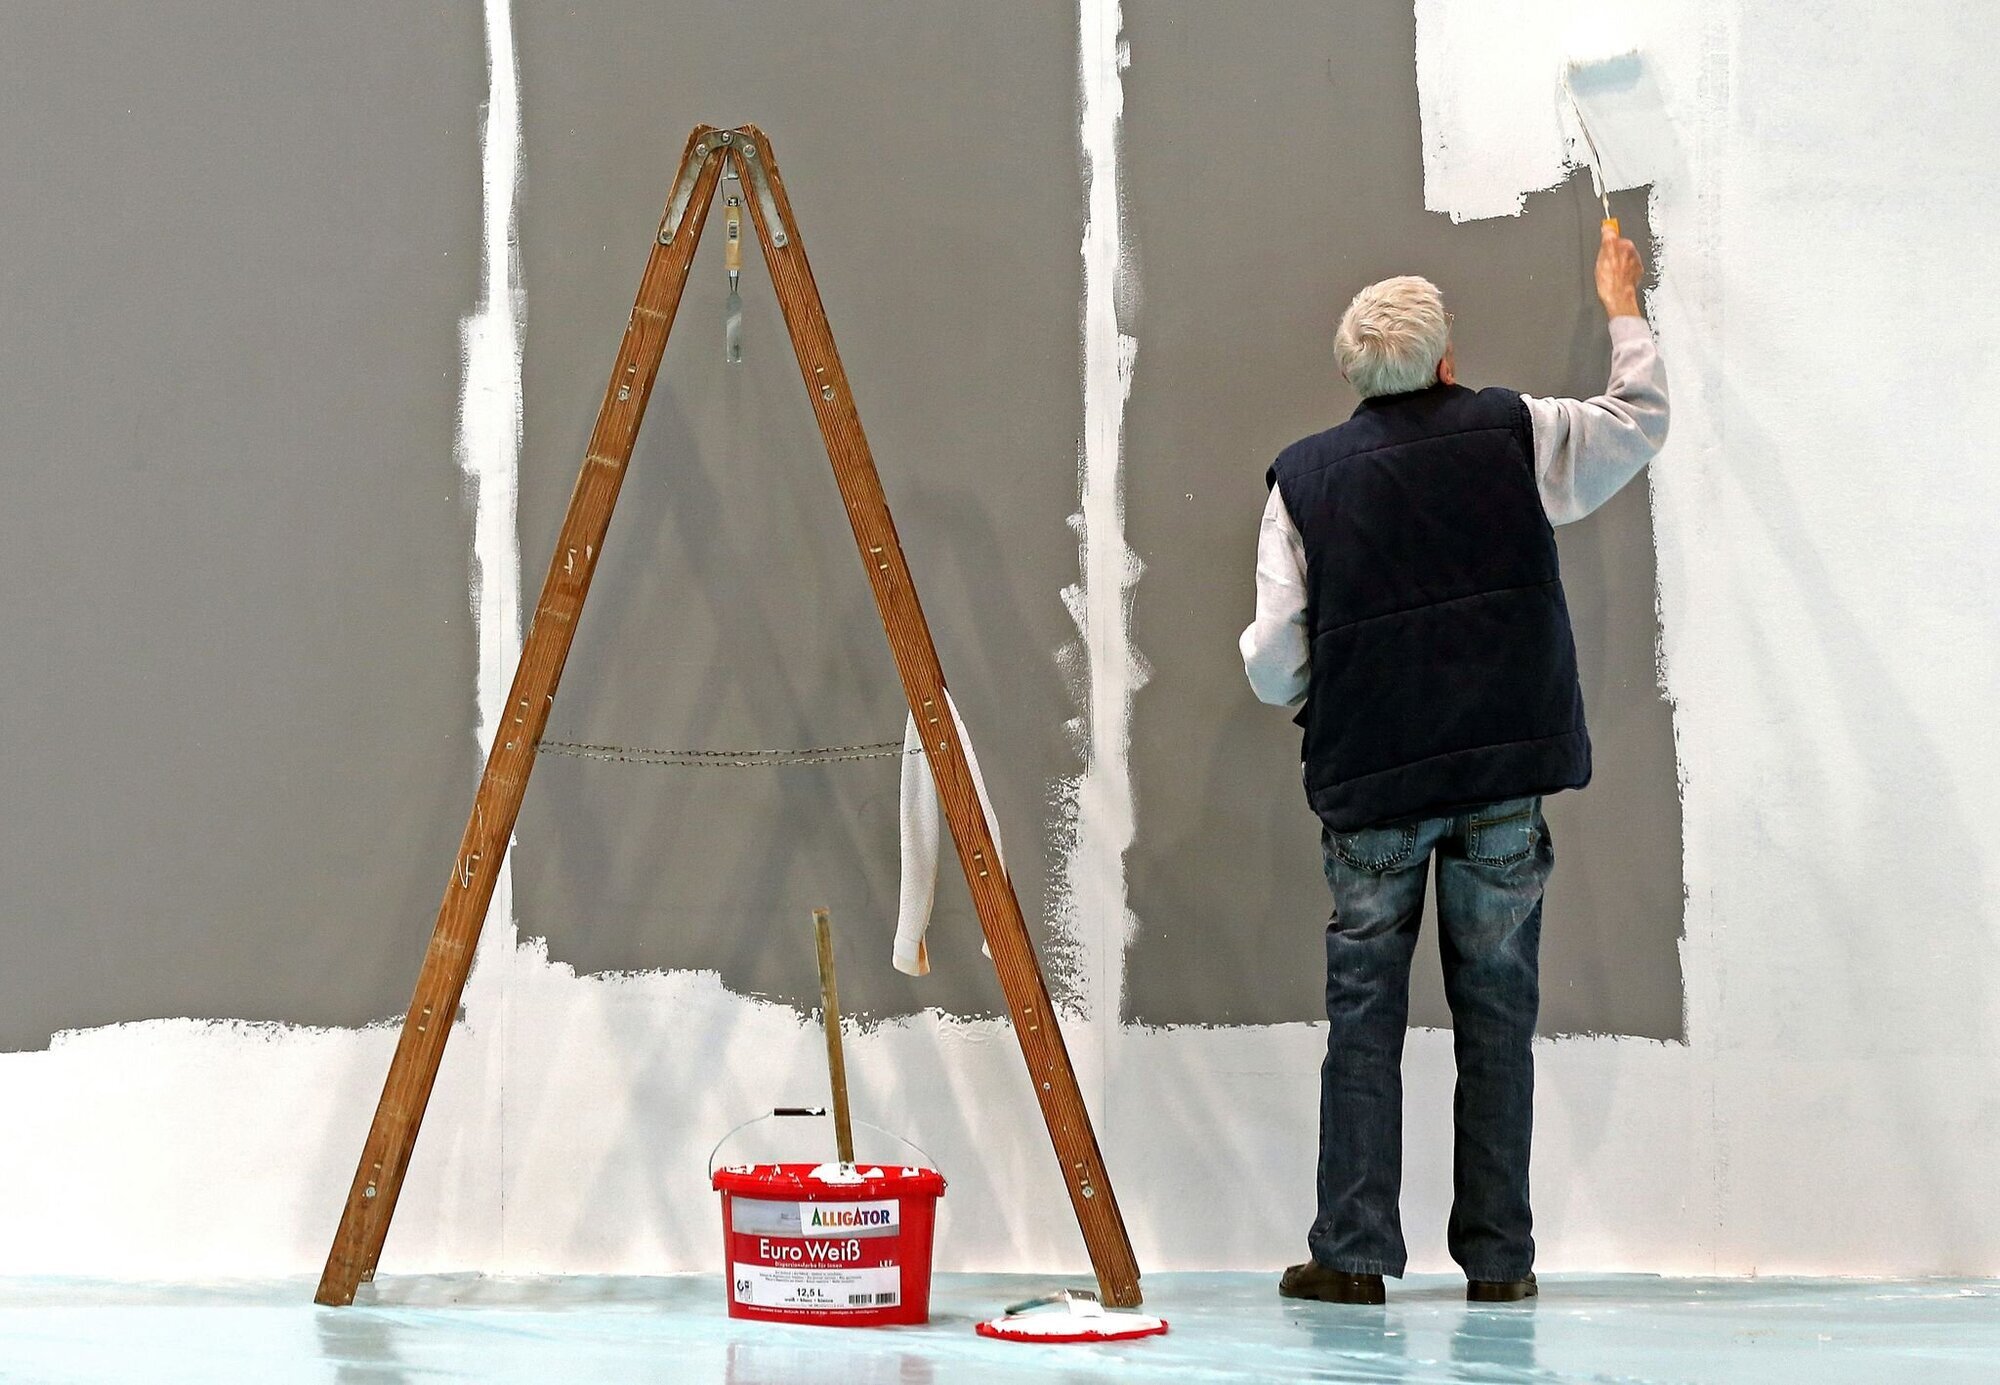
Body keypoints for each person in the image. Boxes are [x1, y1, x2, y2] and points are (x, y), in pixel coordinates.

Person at [1240, 224, 1668, 1305]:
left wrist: (1327, 684)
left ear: (1353, 374)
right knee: (1496, 1014)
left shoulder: (1303, 480)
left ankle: (1350, 1256)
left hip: (1372, 785)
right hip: (1497, 782)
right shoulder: (1512, 431)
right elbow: (1637, 422)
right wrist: (1620, 301)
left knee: (1363, 1020)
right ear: (1444, 360)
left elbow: (1273, 658)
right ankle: (1499, 1261)